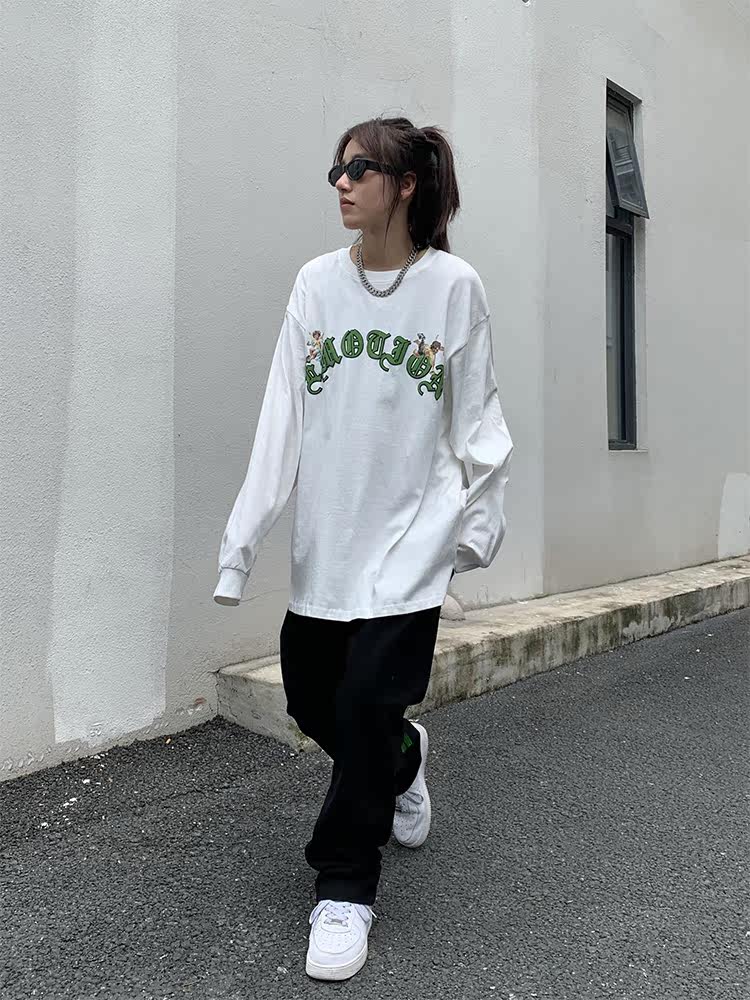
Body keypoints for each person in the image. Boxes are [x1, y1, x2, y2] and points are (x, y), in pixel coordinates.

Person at [212, 115, 514, 981]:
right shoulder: (316, 284)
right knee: (317, 702)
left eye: (358, 168)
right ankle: (403, 758)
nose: (340, 183)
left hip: (413, 550)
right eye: (337, 169)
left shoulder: (453, 287)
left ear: (405, 185)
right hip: (327, 548)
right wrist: (242, 542)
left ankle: (344, 887)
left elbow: (479, 422)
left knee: (365, 702)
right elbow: (282, 417)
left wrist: (470, 537)